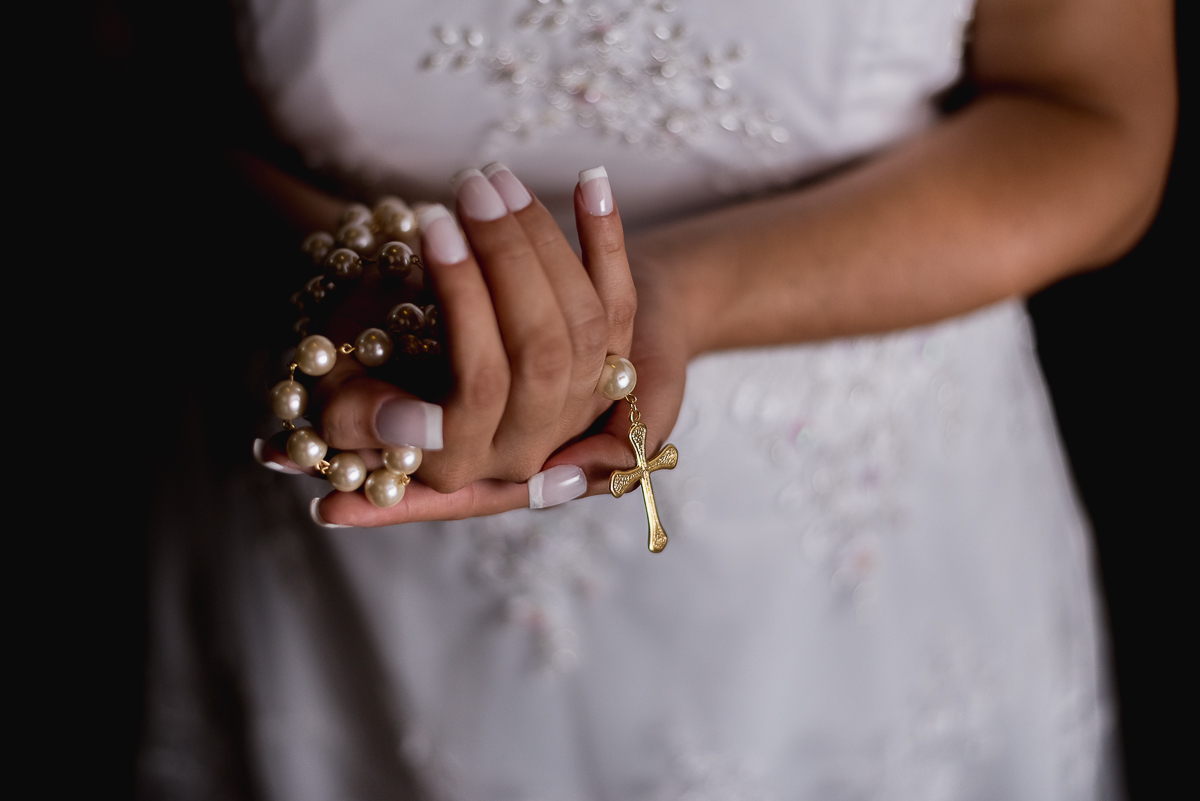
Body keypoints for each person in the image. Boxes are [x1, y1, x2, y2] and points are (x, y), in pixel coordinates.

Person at [138, 0, 1175, 798]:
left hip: (856, 576)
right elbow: (111, 86)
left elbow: (1092, 113)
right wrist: (344, 281)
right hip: (350, 568)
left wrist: (673, 296)